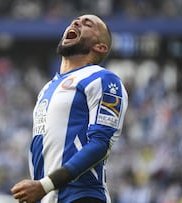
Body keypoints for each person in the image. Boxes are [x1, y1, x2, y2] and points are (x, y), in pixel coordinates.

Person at [11, 14, 128, 203]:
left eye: (87, 24)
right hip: (48, 197)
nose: (76, 22)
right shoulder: (47, 89)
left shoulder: (103, 79)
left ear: (100, 47)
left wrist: (45, 185)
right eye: (76, 21)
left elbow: (100, 144)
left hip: (81, 196)